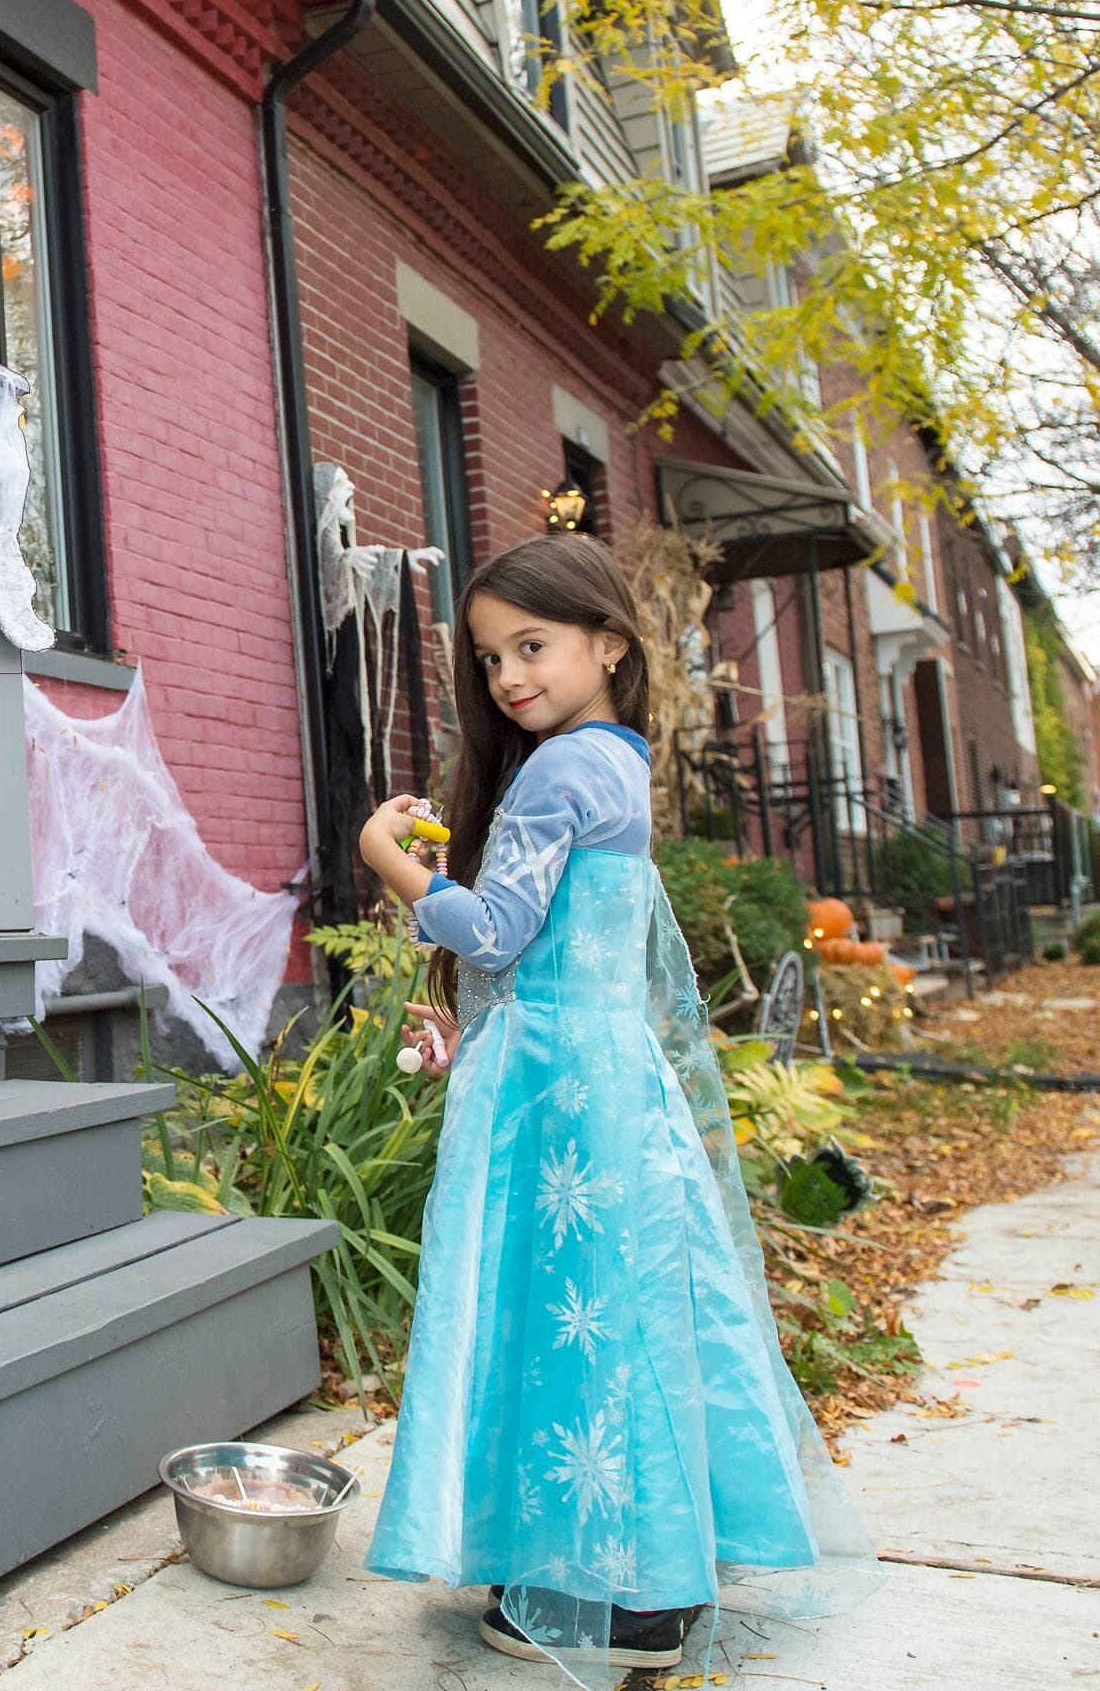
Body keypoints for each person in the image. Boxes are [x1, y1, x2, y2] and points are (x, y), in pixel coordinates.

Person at [357, 534, 871, 1682]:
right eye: (490, 658)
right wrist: (469, 1022)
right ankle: (620, 1552)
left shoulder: (557, 769)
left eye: (529, 646)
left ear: (609, 644)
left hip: (558, 1093)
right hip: (591, 1071)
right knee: (612, 1305)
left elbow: (494, 929)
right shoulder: (615, 757)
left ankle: (620, 1587)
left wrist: (386, 856)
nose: (506, 677)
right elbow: (559, 952)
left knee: (567, 1310)